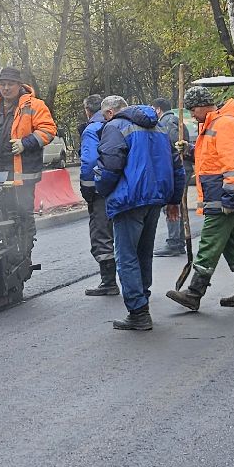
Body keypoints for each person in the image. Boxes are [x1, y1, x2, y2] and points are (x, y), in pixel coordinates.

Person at [166, 85, 234, 312]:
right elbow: (210, 158)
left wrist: (230, 199)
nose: (192, 115)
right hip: (218, 194)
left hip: (222, 196)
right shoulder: (212, 124)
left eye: (192, 111)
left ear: (201, 106)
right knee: (233, 244)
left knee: (209, 241)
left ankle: (194, 292)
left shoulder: (226, 124)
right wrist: (188, 149)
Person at [0, 67, 58, 280]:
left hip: (22, 173)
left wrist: (26, 143)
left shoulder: (34, 105)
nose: (6, 88)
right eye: (3, 84)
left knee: (22, 215)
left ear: (19, 85)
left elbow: (48, 130)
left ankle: (23, 256)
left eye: (10, 84)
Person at [96, 97, 182, 331]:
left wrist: (101, 190)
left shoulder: (114, 127)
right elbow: (177, 165)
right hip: (155, 199)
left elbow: (110, 166)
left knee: (126, 256)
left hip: (129, 200)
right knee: (144, 254)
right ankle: (142, 299)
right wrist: (174, 199)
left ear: (109, 113)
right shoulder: (159, 126)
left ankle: (138, 312)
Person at [78, 94, 119, 296]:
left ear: (88, 110)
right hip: (122, 188)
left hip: (101, 190)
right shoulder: (120, 125)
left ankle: (109, 282)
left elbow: (89, 163)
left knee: (101, 234)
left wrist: (88, 189)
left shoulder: (92, 129)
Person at [154, 95, 195, 258]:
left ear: (158, 109)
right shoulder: (173, 120)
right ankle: (177, 241)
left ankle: (174, 242)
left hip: (175, 168)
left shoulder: (167, 122)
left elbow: (172, 145)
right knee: (175, 204)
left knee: (171, 204)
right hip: (179, 167)